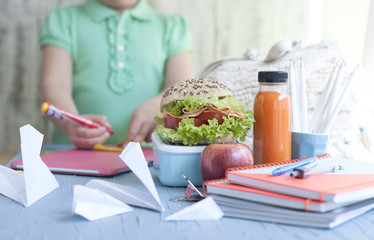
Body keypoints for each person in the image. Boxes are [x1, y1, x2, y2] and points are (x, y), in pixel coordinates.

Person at [40, 0, 194, 149]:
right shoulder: (63, 21)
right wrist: (70, 123)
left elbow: (183, 87)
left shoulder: (171, 26)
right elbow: (55, 85)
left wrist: (158, 107)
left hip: (149, 156)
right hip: (74, 154)